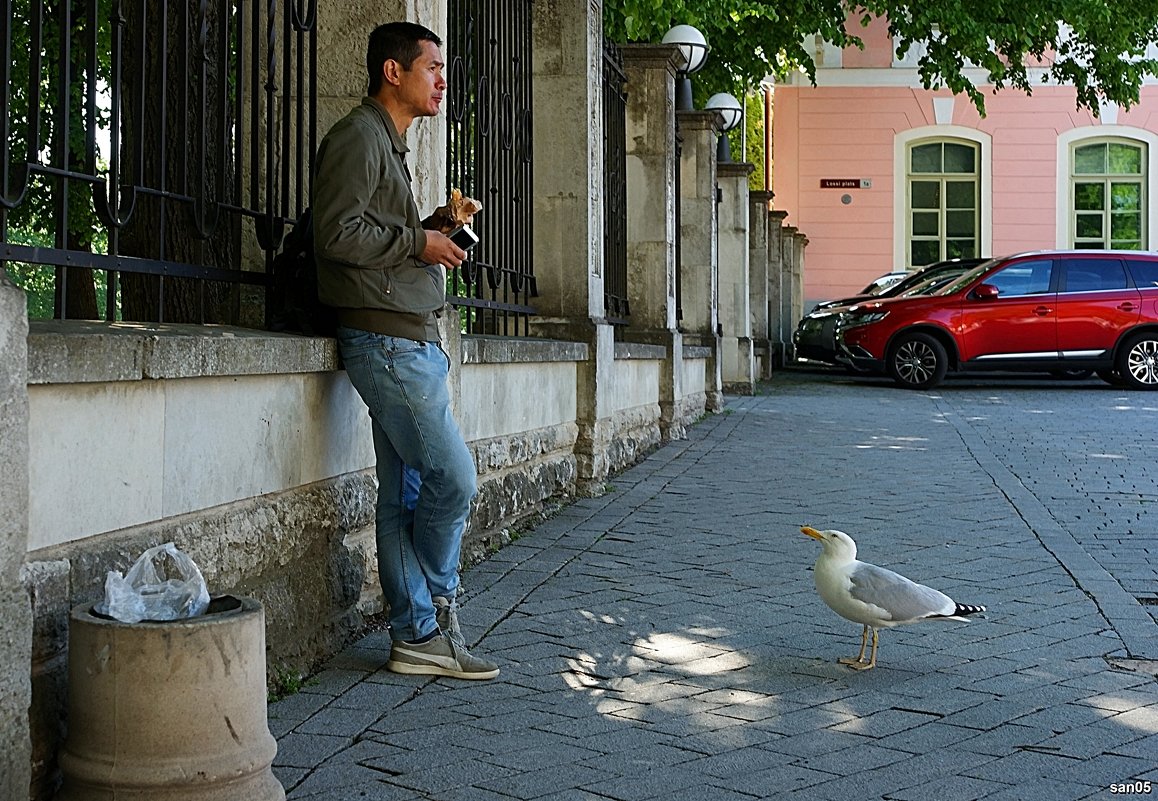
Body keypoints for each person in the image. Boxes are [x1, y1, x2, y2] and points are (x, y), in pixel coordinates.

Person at [311, 21, 498, 680]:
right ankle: (435, 602)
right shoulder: (359, 137)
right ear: (394, 72)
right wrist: (419, 244)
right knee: (455, 478)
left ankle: (416, 634)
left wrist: (438, 228)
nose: (442, 79)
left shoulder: (387, 143)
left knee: (403, 495)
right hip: (387, 339)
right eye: (433, 67)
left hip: (401, 335)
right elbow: (336, 234)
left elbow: (375, 234)